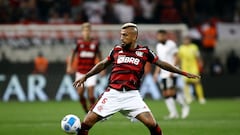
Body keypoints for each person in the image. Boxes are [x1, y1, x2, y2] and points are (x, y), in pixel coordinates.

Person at [73, 23, 200, 135]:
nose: (122, 38)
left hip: (132, 96)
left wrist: (182, 72)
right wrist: (86, 76)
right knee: (87, 122)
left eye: (125, 35)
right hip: (112, 94)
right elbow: (102, 64)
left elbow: (162, 64)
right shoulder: (116, 50)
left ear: (134, 37)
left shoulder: (145, 52)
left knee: (152, 124)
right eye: (121, 35)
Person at [153, 30, 190, 119]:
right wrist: (156, 73)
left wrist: (173, 70)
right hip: (163, 73)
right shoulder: (158, 46)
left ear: (166, 36)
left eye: (162, 36)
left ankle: (184, 106)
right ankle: (173, 113)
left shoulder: (171, 44)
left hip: (171, 72)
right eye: (158, 36)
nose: (160, 38)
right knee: (166, 94)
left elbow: (177, 57)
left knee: (171, 92)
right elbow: (159, 61)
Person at [68, 22, 102, 113]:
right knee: (80, 94)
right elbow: (72, 54)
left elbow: (99, 55)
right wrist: (69, 66)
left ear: (90, 31)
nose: (86, 32)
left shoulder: (95, 43)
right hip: (80, 71)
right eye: (84, 30)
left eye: (88, 30)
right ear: (82, 32)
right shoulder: (78, 42)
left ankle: (92, 112)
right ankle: (85, 109)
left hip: (91, 72)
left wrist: (103, 69)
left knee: (91, 93)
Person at [178, 36, 206, 104]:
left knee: (197, 82)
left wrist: (200, 63)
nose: (186, 41)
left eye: (187, 40)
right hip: (185, 68)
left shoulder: (194, 47)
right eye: (185, 40)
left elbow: (198, 56)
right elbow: (179, 58)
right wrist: (179, 66)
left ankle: (201, 98)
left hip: (194, 67)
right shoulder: (181, 48)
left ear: (190, 40)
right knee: (186, 83)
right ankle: (188, 98)